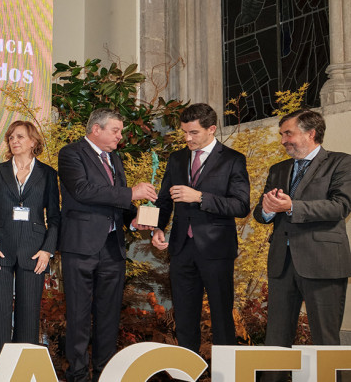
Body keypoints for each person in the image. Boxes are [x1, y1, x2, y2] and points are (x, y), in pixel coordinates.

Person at [58, 108, 156, 382]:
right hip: (80, 246)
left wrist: (134, 220)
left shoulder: (114, 159)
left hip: (112, 247)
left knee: (109, 316)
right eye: (116, 131)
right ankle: (77, 375)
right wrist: (131, 193)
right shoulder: (71, 153)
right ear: (96, 129)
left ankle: (105, 374)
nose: (120, 136)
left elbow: (116, 202)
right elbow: (82, 190)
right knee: (78, 315)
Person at [255, 109, 351, 382]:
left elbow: (340, 206)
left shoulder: (341, 163)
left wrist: (293, 206)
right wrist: (268, 210)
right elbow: (261, 213)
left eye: (288, 133)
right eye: (282, 134)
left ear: (311, 133)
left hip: (323, 262)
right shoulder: (278, 169)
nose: (283, 140)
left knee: (325, 339)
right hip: (281, 263)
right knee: (276, 338)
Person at [147, 103, 249, 353]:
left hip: (216, 250)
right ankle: (188, 373)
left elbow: (241, 205)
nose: (187, 138)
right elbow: (164, 199)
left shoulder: (233, 160)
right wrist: (157, 228)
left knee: (222, 317)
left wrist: (200, 197)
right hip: (181, 249)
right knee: (183, 316)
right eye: (184, 132)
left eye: (193, 133)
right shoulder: (177, 158)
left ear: (212, 129)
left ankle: (227, 376)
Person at [0, 120, 60, 382]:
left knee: (28, 316)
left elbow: (55, 218)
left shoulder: (47, 174)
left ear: (33, 142)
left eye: (20, 137)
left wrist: (47, 251)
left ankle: (22, 375)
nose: (14, 141)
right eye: (11, 137)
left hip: (34, 253)